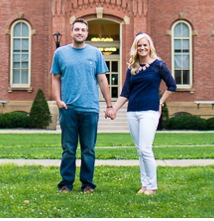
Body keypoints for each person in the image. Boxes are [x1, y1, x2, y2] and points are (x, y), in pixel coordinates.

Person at [107, 32, 176, 195]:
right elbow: (125, 92)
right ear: (135, 48)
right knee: (139, 150)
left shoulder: (158, 65)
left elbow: (172, 86)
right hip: (133, 112)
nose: (142, 48)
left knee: (146, 149)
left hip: (149, 111)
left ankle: (152, 186)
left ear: (150, 46)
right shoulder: (132, 67)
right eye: (139, 45)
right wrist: (114, 109)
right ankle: (144, 184)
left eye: (145, 45)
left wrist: (160, 101)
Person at [51, 19, 114, 194]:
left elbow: (102, 79)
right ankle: (66, 183)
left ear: (87, 33)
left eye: (83, 30)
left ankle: (87, 184)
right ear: (71, 32)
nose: (80, 32)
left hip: (90, 109)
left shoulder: (95, 54)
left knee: (88, 149)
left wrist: (109, 105)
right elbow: (55, 78)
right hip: (68, 108)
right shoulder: (61, 53)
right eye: (77, 29)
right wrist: (58, 100)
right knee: (68, 149)